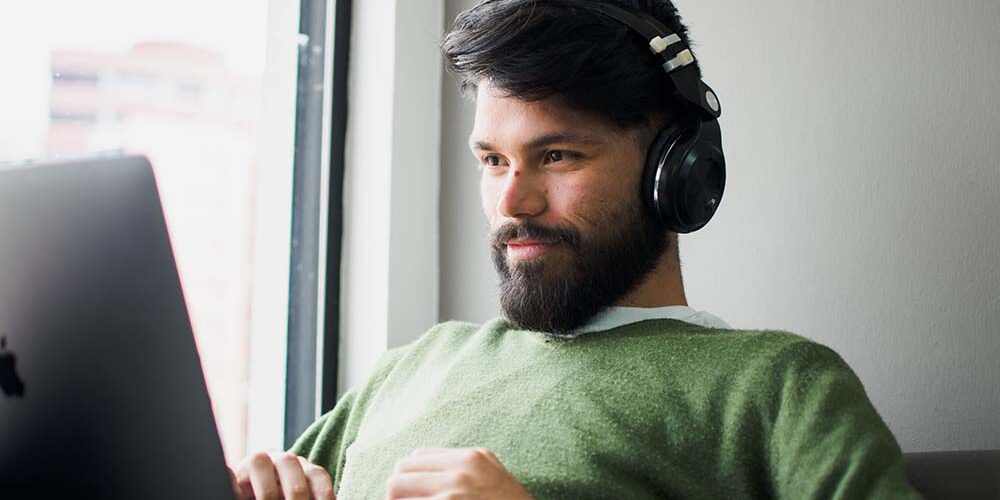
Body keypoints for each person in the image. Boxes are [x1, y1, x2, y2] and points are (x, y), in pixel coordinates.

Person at [232, 1, 922, 498]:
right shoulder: (410, 368)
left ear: (675, 166)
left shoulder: (773, 386)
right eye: (494, 160)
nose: (512, 202)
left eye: (556, 155)